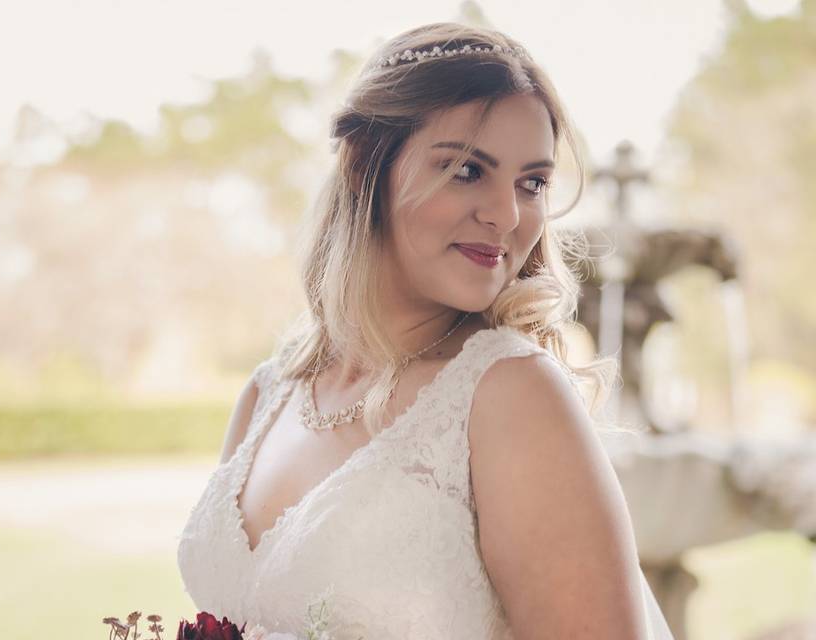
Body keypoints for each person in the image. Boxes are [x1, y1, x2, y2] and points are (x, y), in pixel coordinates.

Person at [177, 22, 674, 639]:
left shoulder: (509, 394)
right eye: (467, 170)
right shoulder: (267, 392)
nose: (506, 214)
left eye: (533, 183)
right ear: (367, 167)